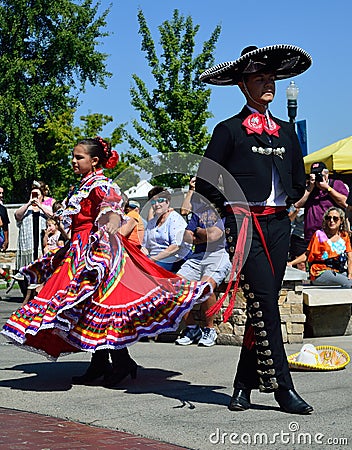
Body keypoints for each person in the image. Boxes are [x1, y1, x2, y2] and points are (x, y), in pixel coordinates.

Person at [2, 137, 210, 387]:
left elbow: (112, 210)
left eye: (79, 157)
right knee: (89, 307)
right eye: (74, 156)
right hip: (79, 249)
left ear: (95, 160)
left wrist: (110, 226)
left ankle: (119, 363)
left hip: (96, 250)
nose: (74, 161)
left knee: (100, 304)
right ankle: (102, 362)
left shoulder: (101, 184)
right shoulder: (81, 185)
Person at [196, 44, 313, 414]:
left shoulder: (285, 131)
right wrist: (231, 214)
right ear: (243, 86)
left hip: (279, 225)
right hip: (246, 228)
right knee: (265, 302)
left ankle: (242, 386)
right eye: (259, 78)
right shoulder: (228, 130)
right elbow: (205, 182)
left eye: (271, 78)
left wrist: (291, 204)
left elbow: (298, 177)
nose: (267, 84)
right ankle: (282, 388)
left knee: (263, 306)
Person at [176, 193, 231, 347]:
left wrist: (198, 232)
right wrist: (203, 234)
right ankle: (192, 328)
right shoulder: (198, 212)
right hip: (198, 255)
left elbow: (215, 236)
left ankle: (209, 329)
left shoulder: (225, 211)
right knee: (175, 287)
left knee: (205, 288)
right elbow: (186, 236)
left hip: (219, 254)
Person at [288, 207, 352, 287]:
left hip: (339, 270)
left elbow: (350, 257)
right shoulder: (319, 235)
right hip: (320, 271)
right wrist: (291, 263)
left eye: (335, 218)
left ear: (341, 220)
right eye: (328, 218)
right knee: (349, 283)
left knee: (349, 280)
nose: (331, 221)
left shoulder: (344, 236)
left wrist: (350, 274)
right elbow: (308, 254)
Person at [13, 182, 53, 296]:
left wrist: (40, 205)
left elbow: (53, 216)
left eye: (37, 194)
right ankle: (26, 294)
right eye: (33, 194)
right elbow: (17, 215)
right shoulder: (26, 209)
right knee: (26, 270)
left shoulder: (44, 209)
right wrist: (29, 203)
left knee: (40, 271)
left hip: (41, 245)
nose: (35, 196)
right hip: (27, 246)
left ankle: (38, 293)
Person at [294, 162, 348, 246]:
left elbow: (345, 203)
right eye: (315, 174)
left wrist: (327, 188)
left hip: (332, 235)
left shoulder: (336, 184)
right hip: (311, 236)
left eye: (320, 173)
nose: (318, 177)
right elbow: (297, 204)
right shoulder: (309, 187)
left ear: (326, 173)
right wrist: (310, 189)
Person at [142, 186, 191, 273]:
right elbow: (146, 246)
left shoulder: (175, 219)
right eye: (153, 202)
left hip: (175, 258)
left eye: (160, 201)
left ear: (167, 202)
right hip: (154, 258)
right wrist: (143, 252)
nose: (157, 204)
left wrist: (153, 259)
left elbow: (175, 247)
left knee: (149, 270)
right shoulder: (151, 223)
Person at [0, 186, 10, 252]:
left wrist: (6, 240)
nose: (1, 195)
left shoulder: (2, 209)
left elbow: (5, 226)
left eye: (2, 193)